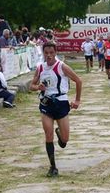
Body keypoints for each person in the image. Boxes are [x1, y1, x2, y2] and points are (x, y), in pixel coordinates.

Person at [29, 42, 82, 177]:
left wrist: (77, 100)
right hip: (46, 104)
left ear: (55, 52)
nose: (49, 56)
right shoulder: (40, 68)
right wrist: (38, 87)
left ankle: (61, 136)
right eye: (46, 53)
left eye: (51, 53)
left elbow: (78, 80)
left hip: (61, 103)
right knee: (48, 135)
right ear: (43, 52)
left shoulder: (61, 66)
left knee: (64, 141)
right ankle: (53, 167)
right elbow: (32, 85)